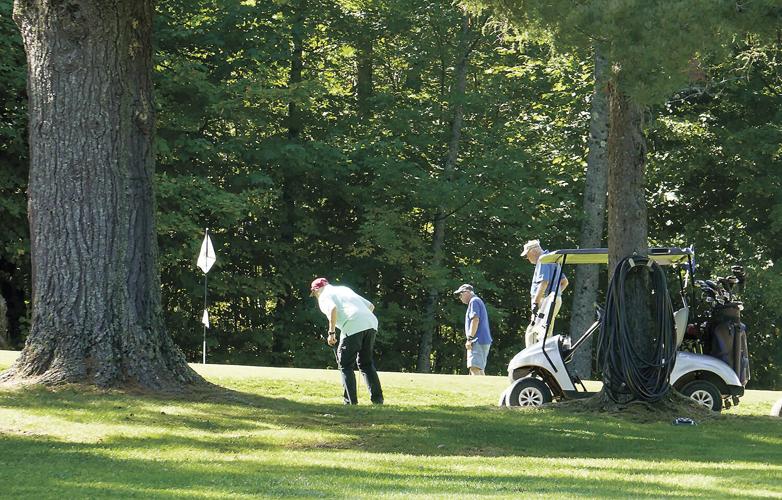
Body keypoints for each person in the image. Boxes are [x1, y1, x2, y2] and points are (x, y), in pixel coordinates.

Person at [310, 277, 384, 405]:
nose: (315, 296)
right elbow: (371, 306)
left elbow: (333, 309)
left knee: (345, 364)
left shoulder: (323, 296)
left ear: (316, 290)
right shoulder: (343, 289)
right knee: (366, 363)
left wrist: (331, 333)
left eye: (314, 293)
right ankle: (378, 400)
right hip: (371, 322)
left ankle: (350, 402)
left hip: (352, 323)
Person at [522, 240, 569, 347]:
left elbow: (544, 282)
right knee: (546, 330)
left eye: (527, 255)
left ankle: (534, 358)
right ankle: (544, 353)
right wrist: (555, 294)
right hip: (554, 299)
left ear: (533, 251)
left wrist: (536, 302)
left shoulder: (543, 259)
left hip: (546, 301)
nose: (527, 258)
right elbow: (565, 282)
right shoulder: (553, 259)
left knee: (534, 332)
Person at [453, 283, 492, 375]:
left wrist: (470, 339)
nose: (460, 297)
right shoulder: (477, 301)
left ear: (467, 292)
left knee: (475, 367)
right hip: (482, 340)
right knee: (479, 368)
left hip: (477, 340)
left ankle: (478, 388)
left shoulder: (474, 301)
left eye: (460, 294)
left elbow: (475, 320)